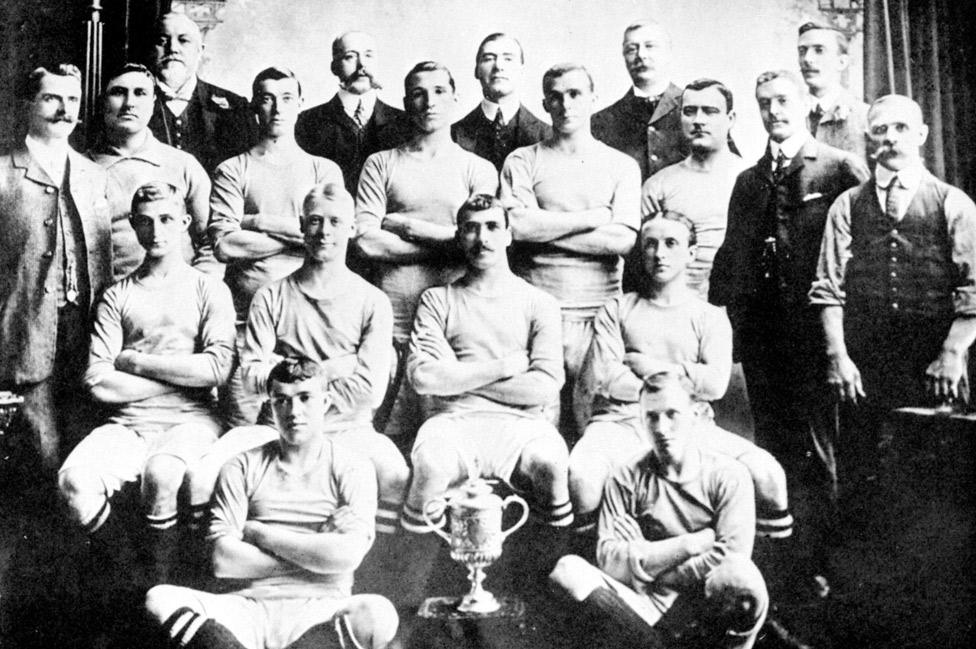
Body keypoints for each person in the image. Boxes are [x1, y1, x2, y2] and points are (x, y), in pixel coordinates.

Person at [187, 183, 408, 595]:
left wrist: (292, 374)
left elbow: (369, 391)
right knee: (201, 476)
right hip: (277, 424)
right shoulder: (271, 296)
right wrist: (337, 367)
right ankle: (217, 587)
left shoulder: (372, 301)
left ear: (352, 228)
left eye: (336, 222)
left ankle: (370, 589)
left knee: (395, 474)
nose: (325, 231)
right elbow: (253, 374)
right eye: (315, 222)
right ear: (302, 228)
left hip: (349, 428)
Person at [144, 358, 400, 649]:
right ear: (272, 405)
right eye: (282, 400)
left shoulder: (353, 467)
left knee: (379, 615)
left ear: (326, 402)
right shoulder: (241, 465)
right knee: (159, 599)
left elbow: (347, 557)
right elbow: (223, 561)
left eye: (305, 398)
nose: (294, 411)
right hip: (246, 607)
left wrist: (259, 534)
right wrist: (317, 554)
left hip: (318, 610)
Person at [570, 213, 792, 544]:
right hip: (621, 423)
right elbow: (611, 380)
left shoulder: (710, 317)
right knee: (582, 478)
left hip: (692, 426)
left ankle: (765, 582)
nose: (660, 254)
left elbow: (715, 385)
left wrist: (646, 365)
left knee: (768, 474)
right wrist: (686, 376)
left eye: (671, 243)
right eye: (651, 244)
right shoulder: (616, 309)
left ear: (690, 253)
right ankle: (593, 573)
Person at [57, 181, 235, 583]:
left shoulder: (208, 289)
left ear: (186, 223)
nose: (156, 231)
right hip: (130, 424)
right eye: (146, 221)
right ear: (134, 227)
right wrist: (180, 375)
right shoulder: (117, 295)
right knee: (73, 482)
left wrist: (136, 361)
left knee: (163, 473)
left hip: (191, 422)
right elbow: (100, 382)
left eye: (167, 219)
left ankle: (165, 583)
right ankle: (135, 583)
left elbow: (217, 368)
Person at [709, 70, 866, 492]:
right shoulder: (748, 181)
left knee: (822, 449)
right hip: (764, 340)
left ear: (801, 105)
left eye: (782, 101)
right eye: (764, 103)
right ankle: (782, 548)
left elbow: (864, 254)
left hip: (817, 337)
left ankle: (824, 551)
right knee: (772, 450)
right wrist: (741, 327)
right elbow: (732, 261)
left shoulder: (839, 168)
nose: (773, 111)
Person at [810, 94, 976, 490]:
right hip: (864, 366)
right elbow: (828, 290)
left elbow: (974, 289)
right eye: (880, 130)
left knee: (937, 480)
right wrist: (838, 358)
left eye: (901, 128)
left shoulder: (953, 203)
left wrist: (953, 353)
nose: (891, 138)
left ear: (921, 134)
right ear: (869, 139)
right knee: (862, 476)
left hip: (935, 364)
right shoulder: (847, 206)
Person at [550, 371, 768, 649]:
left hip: (705, 607)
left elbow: (731, 557)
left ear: (697, 414)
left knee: (739, 576)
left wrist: (646, 557)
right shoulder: (626, 476)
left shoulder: (729, 475)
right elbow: (609, 560)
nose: (661, 428)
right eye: (651, 416)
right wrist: (689, 544)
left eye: (671, 414)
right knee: (568, 571)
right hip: (643, 607)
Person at [403, 194, 573, 536]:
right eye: (471, 229)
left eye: (493, 227)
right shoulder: (438, 299)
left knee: (550, 463)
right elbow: (423, 378)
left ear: (509, 235)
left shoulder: (539, 303)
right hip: (451, 421)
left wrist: (456, 374)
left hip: (523, 423)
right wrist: (505, 367)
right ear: (458, 236)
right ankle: (409, 588)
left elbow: (544, 386)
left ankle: (544, 581)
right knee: (432, 466)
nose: (482, 238)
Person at [354, 61, 498, 444]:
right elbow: (367, 241)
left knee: (448, 434)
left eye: (438, 91)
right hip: (393, 318)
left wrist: (407, 226)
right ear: (406, 102)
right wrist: (451, 242)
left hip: (455, 322)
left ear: (454, 98)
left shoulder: (477, 169)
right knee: (387, 432)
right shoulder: (381, 163)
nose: (428, 101)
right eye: (418, 93)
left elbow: (480, 245)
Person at [500, 62, 640, 439]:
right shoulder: (523, 160)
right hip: (534, 310)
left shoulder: (620, 165)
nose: (566, 104)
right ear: (545, 104)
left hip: (599, 313)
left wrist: (541, 227)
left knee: (592, 418)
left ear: (593, 99)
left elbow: (622, 240)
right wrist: (594, 217)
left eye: (575, 94)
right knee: (536, 421)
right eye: (556, 97)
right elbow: (516, 227)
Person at [209, 66, 344, 426]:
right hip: (247, 323)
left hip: (311, 322)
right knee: (244, 430)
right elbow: (225, 245)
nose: (277, 108)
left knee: (306, 429)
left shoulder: (322, 170)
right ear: (255, 106)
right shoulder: (233, 169)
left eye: (286, 98)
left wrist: (259, 220)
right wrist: (300, 237)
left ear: (300, 105)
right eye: (267, 99)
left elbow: (328, 243)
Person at [0, 64, 111, 474]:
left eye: (72, 101)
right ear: (28, 105)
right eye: (51, 99)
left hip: (86, 332)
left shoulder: (94, 175)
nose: (64, 110)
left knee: (84, 450)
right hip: (25, 331)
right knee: (39, 453)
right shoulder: (3, 173)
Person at [641, 78, 753, 438]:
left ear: (731, 118)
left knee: (734, 429)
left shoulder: (750, 178)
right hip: (674, 319)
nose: (699, 120)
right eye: (690, 111)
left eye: (710, 111)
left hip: (734, 317)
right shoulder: (659, 185)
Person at [87, 62, 215, 280]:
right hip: (106, 300)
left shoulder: (183, 164)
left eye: (140, 93)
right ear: (103, 102)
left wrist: (194, 290)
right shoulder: (80, 168)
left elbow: (211, 242)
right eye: (118, 93)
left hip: (175, 297)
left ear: (154, 102)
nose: (129, 104)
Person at [295, 31, 409, 197]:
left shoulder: (405, 122)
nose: (362, 65)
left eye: (368, 55)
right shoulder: (307, 122)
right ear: (334, 67)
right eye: (350, 57)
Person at [148, 11, 254, 174]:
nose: (173, 49)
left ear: (200, 51)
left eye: (183, 41)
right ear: (150, 50)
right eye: (162, 41)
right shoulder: (133, 102)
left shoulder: (236, 106)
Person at [591, 20, 687, 182]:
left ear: (668, 52)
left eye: (650, 46)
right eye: (631, 49)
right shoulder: (601, 121)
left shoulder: (698, 108)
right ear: (624, 57)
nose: (641, 55)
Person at [451, 33, 550, 171]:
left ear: (522, 70)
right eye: (488, 58)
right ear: (476, 70)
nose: (498, 66)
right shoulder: (453, 135)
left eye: (508, 59)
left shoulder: (547, 135)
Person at [797, 22, 869, 160]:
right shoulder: (790, 115)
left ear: (841, 62)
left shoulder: (864, 117)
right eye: (802, 51)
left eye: (819, 50)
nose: (807, 59)